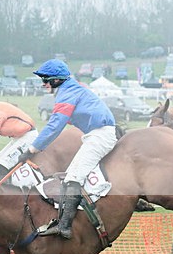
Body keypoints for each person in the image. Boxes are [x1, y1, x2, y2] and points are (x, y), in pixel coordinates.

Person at [17, 59, 117, 239]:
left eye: (45, 80)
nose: (43, 84)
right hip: (96, 134)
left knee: (72, 178)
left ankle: (64, 227)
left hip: (100, 135)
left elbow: (55, 126)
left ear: (56, 80)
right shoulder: (70, 88)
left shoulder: (67, 92)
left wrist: (31, 150)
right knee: (70, 177)